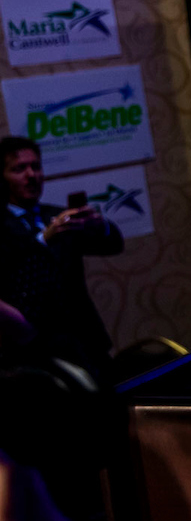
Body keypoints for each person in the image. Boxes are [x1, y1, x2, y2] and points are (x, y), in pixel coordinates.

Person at [0, 135, 123, 384]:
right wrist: (44, 239)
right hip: (32, 352)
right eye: (19, 169)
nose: (31, 175)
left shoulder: (57, 215)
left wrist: (101, 226)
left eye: (36, 166)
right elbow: (12, 267)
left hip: (86, 342)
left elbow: (113, 245)